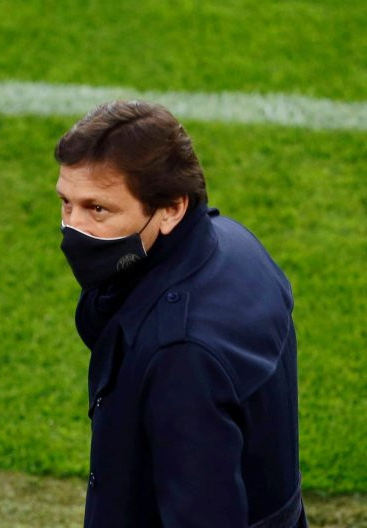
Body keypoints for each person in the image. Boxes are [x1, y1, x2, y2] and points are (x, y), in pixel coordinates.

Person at [53, 100, 306, 527]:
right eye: (65, 203)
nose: (73, 228)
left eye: (98, 209)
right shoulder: (234, 243)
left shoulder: (177, 353)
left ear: (171, 208)